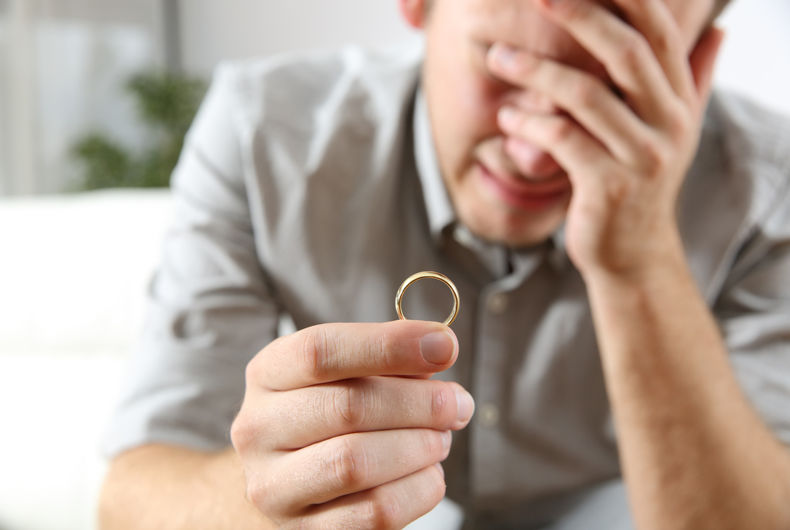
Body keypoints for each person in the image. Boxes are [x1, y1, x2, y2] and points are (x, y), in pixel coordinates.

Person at [99, 0, 790, 528]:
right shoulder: (266, 134)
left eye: (609, 94)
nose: (534, 153)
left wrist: (639, 265)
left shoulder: (769, 189)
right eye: (504, 62)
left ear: (696, 63)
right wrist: (271, 499)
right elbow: (132, 496)